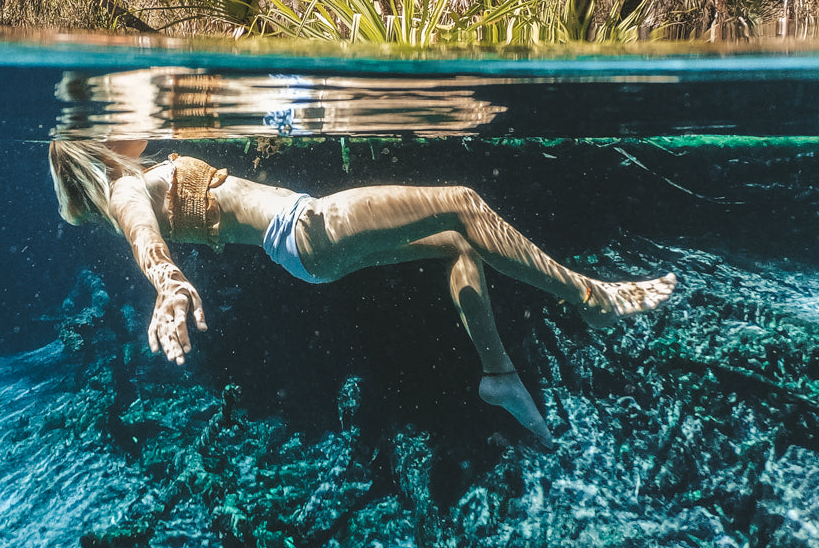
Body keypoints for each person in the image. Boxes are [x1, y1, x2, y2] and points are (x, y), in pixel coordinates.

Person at [48, 139, 676, 446]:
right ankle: (590, 299)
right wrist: (171, 289)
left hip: (303, 247)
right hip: (307, 229)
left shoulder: (132, 178)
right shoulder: (125, 192)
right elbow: (147, 245)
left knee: (458, 243)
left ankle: (498, 374)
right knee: (462, 202)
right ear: (88, 149)